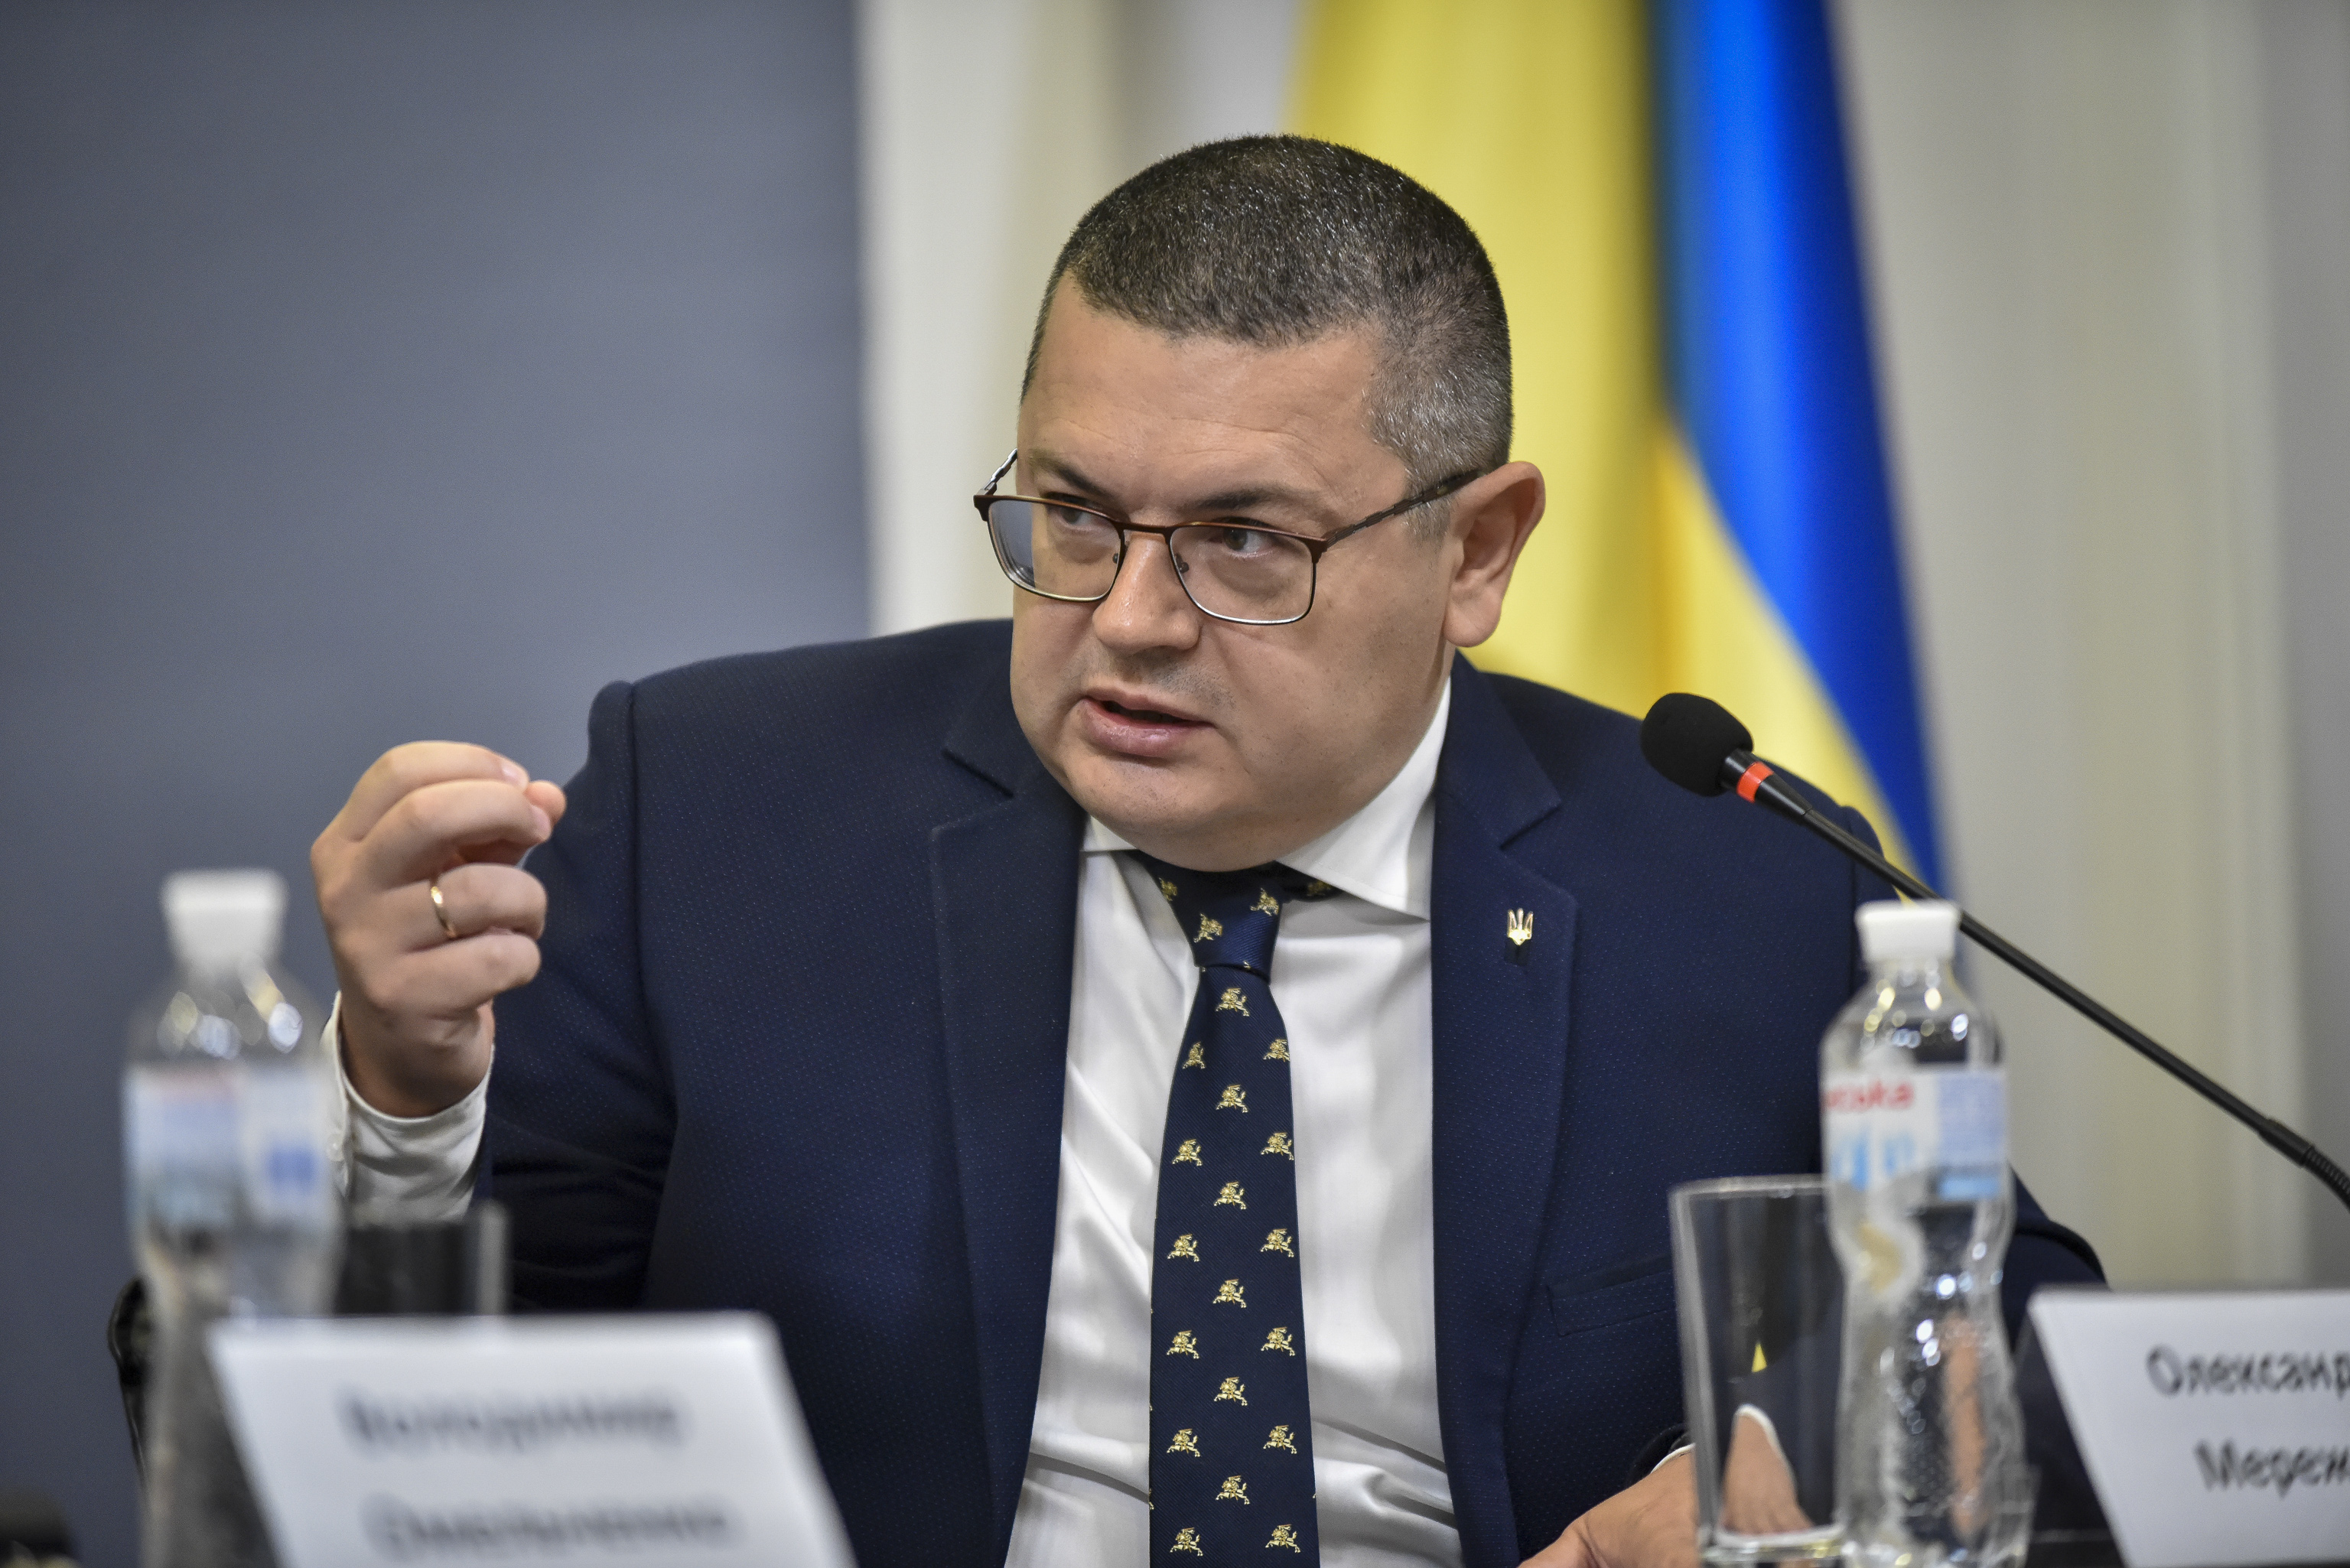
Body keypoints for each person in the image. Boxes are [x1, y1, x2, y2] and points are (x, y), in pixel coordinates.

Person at [309, 137, 2099, 1567]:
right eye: (1074, 515)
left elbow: (2021, 1346)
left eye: (1247, 542)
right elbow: (422, 1416)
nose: (1130, 620)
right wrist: (401, 1093)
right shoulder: (720, 808)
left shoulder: (1744, 885)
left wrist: (1799, 1465)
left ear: (1478, 549)